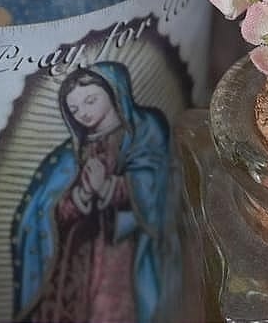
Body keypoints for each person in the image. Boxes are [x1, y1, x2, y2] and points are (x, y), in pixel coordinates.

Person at [11, 62, 179, 323]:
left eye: (90, 101)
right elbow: (48, 211)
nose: (84, 114)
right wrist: (83, 194)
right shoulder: (71, 154)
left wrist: (110, 186)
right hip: (77, 258)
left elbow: (156, 182)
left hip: (121, 251)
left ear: (114, 92)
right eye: (75, 109)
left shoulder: (145, 129)